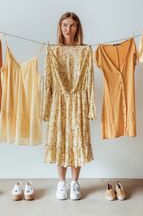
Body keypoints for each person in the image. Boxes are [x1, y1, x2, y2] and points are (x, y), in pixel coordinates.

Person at [42, 12, 96, 200]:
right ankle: (61, 183)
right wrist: (46, 106)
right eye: (65, 25)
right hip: (59, 100)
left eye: (72, 25)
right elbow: (47, 79)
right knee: (60, 139)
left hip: (79, 99)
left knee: (77, 140)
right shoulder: (53, 51)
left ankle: (75, 183)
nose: (68, 29)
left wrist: (90, 106)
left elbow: (89, 78)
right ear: (60, 26)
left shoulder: (85, 51)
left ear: (77, 28)